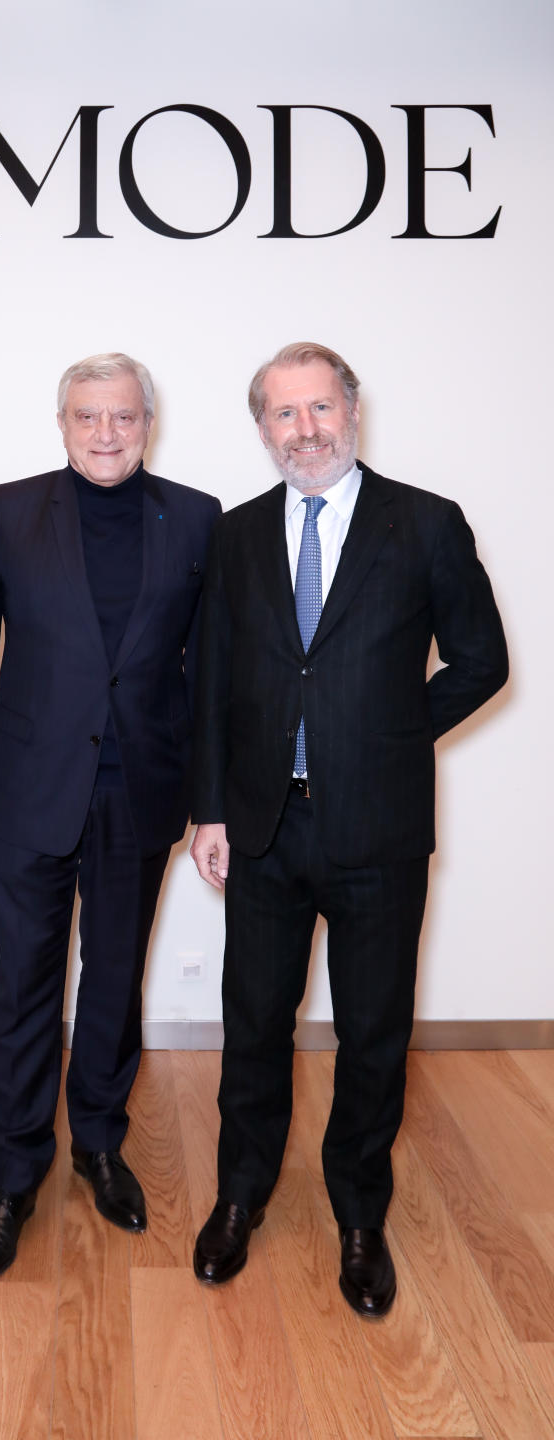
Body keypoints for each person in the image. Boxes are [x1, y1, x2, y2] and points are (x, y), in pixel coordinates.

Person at [190, 341, 507, 1317]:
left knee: (374, 1030)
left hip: (378, 827)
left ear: (352, 411)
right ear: (263, 429)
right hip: (263, 829)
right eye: (283, 414)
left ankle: (360, 1213)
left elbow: (481, 659)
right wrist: (206, 807)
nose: (305, 430)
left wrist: (392, 734)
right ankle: (241, 1194)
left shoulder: (426, 523)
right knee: (254, 1022)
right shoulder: (235, 536)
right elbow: (209, 683)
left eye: (319, 408)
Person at [0, 352, 221, 1284]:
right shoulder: (8, 509)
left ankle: (100, 1145)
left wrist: (207, 795)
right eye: (87, 418)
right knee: (23, 981)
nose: (106, 435)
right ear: (61, 424)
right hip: (27, 787)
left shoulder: (195, 517)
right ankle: (13, 1173)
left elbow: (208, 672)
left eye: (124, 418)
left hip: (140, 788)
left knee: (113, 978)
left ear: (149, 422)